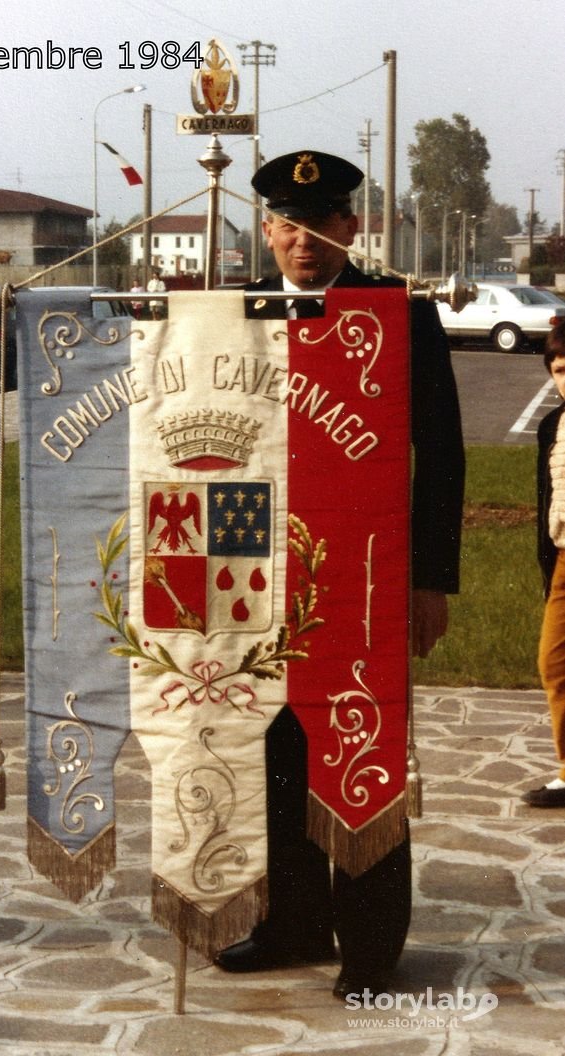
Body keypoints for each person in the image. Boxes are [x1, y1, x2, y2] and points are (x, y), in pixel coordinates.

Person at [213, 151, 465, 998]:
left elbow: (443, 459)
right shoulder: (237, 316)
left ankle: (367, 946)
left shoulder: (396, 315)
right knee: (277, 758)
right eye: (286, 224)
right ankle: (290, 922)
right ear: (268, 230)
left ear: (352, 226)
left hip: (362, 582)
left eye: (321, 225)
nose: (303, 241)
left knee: (358, 753)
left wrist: (429, 580)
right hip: (262, 579)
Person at [523, 320, 565, 808]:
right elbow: (546, 499)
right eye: (558, 370)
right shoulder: (552, 426)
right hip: (563, 561)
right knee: (554, 662)